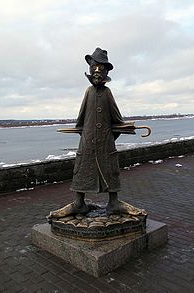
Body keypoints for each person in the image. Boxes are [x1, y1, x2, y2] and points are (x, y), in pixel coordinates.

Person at [48, 48, 142, 219]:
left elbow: (116, 120)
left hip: (105, 143)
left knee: (109, 171)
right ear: (90, 69)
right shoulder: (89, 92)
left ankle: (114, 203)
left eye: (101, 68)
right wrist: (86, 138)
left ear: (106, 71)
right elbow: (81, 120)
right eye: (94, 67)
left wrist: (118, 132)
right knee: (83, 170)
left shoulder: (107, 93)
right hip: (87, 142)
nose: (97, 71)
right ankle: (79, 203)